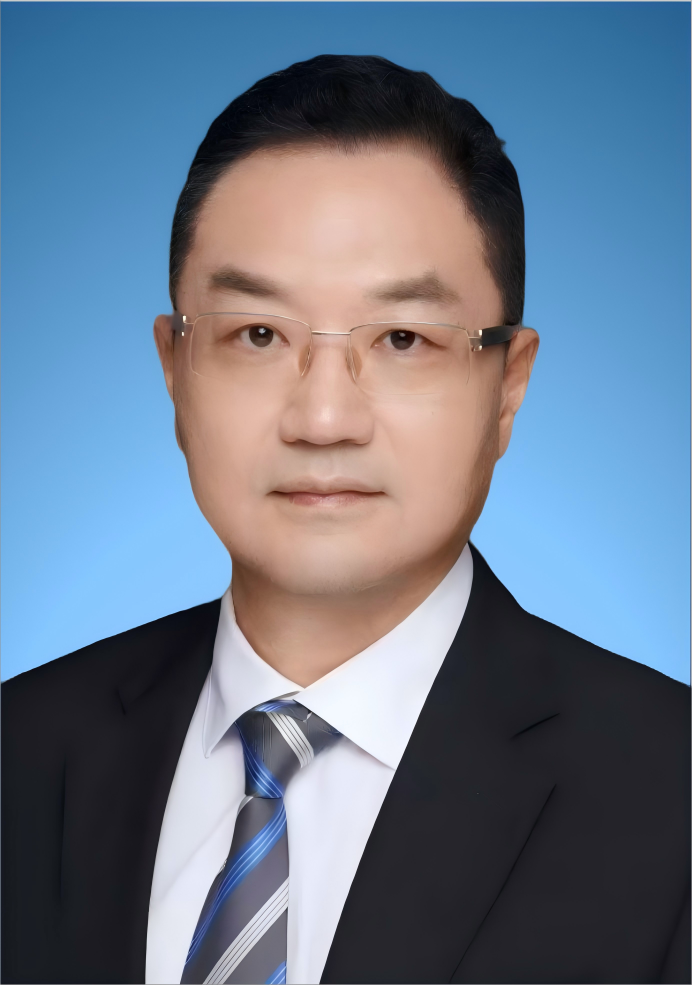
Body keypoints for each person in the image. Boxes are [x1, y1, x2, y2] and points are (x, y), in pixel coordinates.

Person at [2, 54, 689, 985]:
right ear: (175, 369)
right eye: (257, 334)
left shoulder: (668, 791)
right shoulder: (23, 749)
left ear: (508, 386)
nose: (323, 419)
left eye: (403, 338)